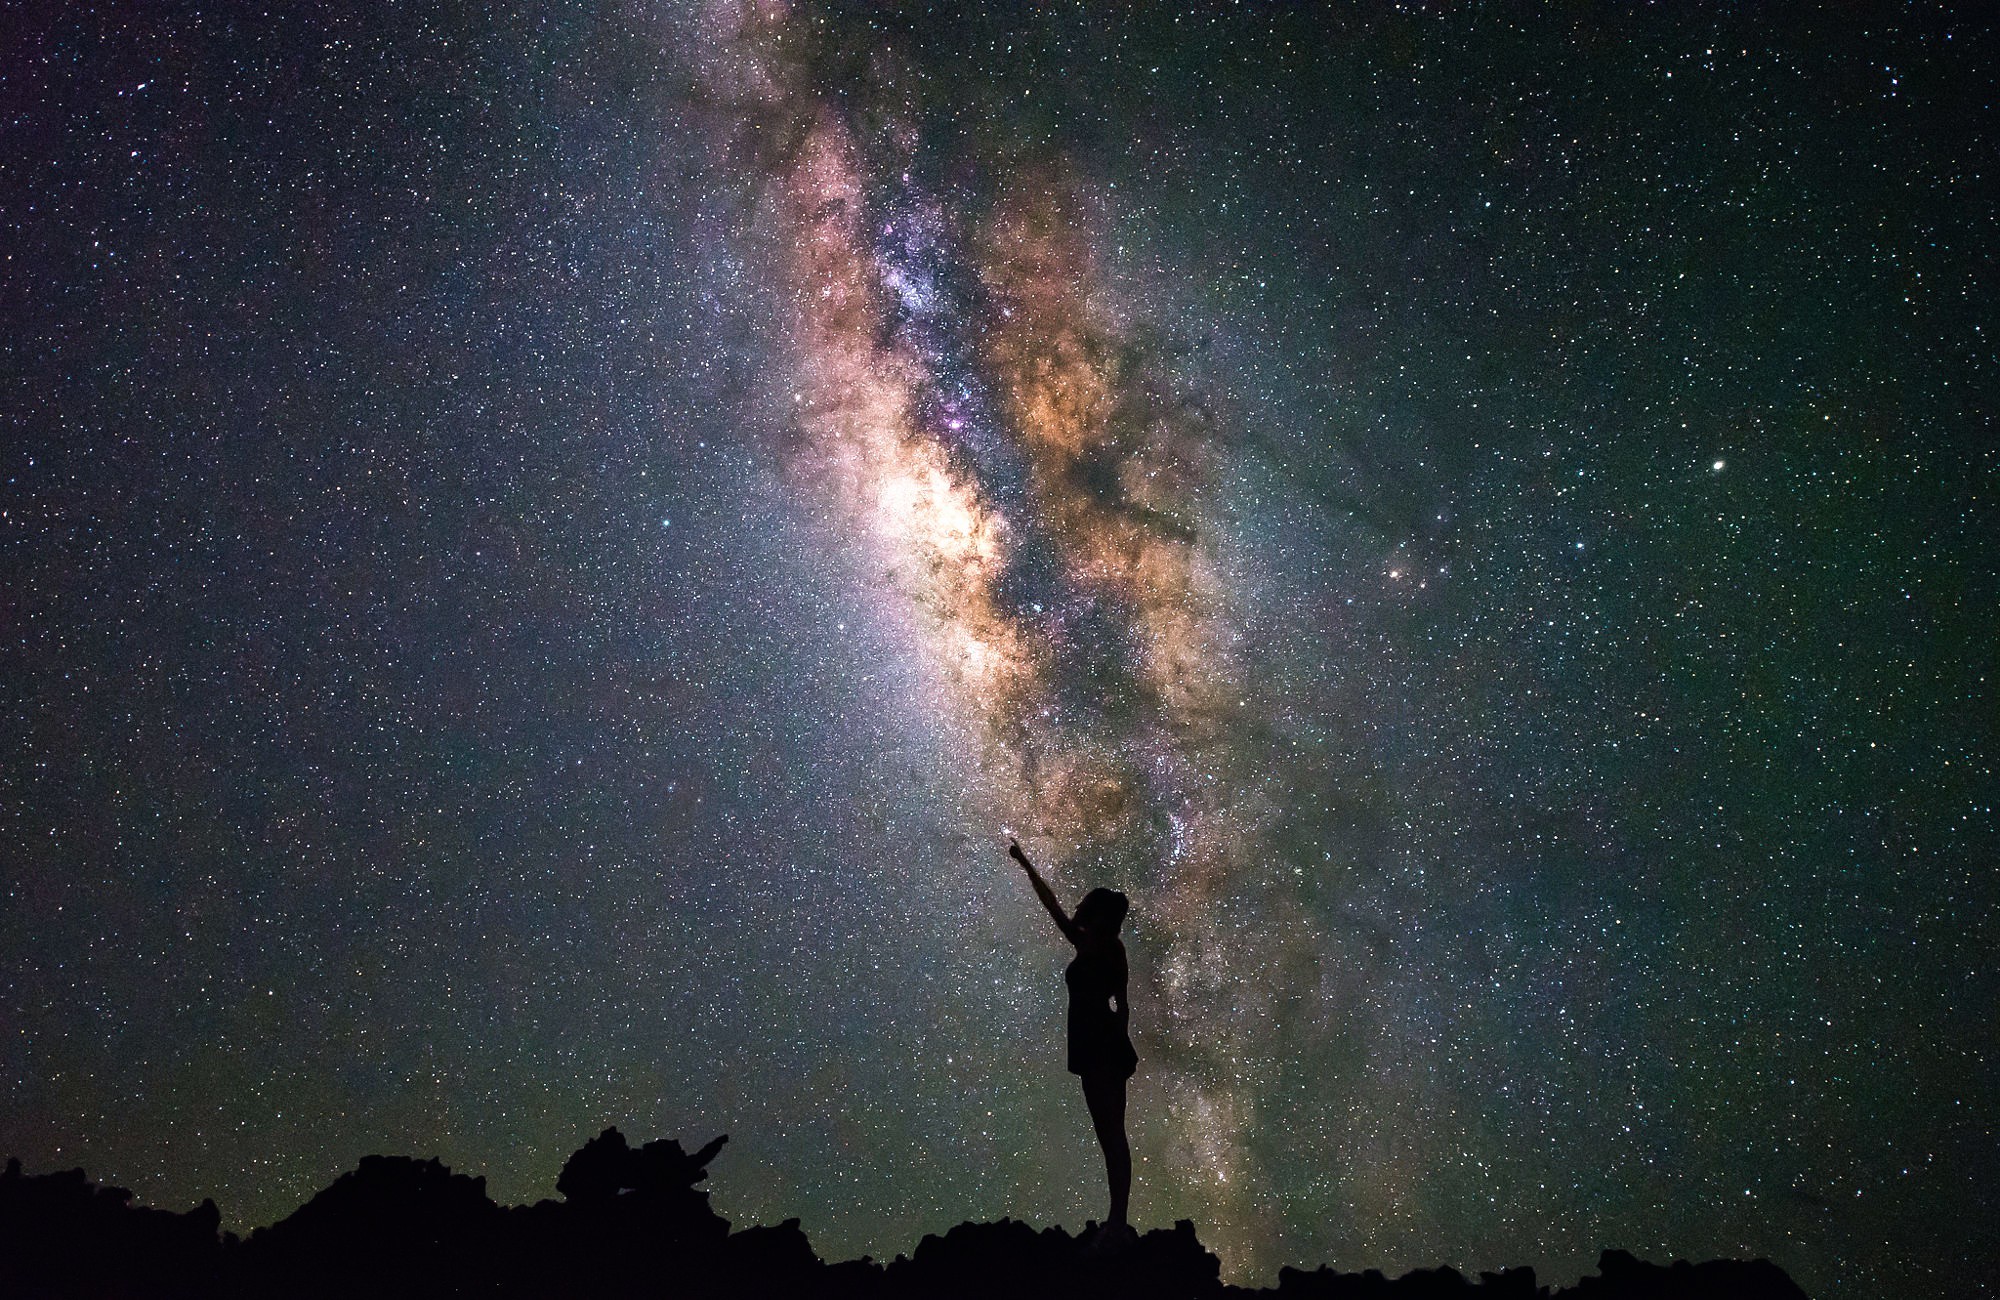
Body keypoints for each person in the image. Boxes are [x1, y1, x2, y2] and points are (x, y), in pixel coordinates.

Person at [1007, 838, 1138, 1235]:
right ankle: (1117, 1220)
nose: (1078, 909)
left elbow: (1122, 1004)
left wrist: (1117, 1043)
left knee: (1112, 1135)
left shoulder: (1107, 948)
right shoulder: (1094, 944)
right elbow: (1052, 906)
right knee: (1109, 1135)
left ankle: (1117, 1223)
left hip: (1100, 1045)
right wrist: (1025, 864)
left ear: (1096, 914)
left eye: (1085, 907)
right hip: (1096, 1043)